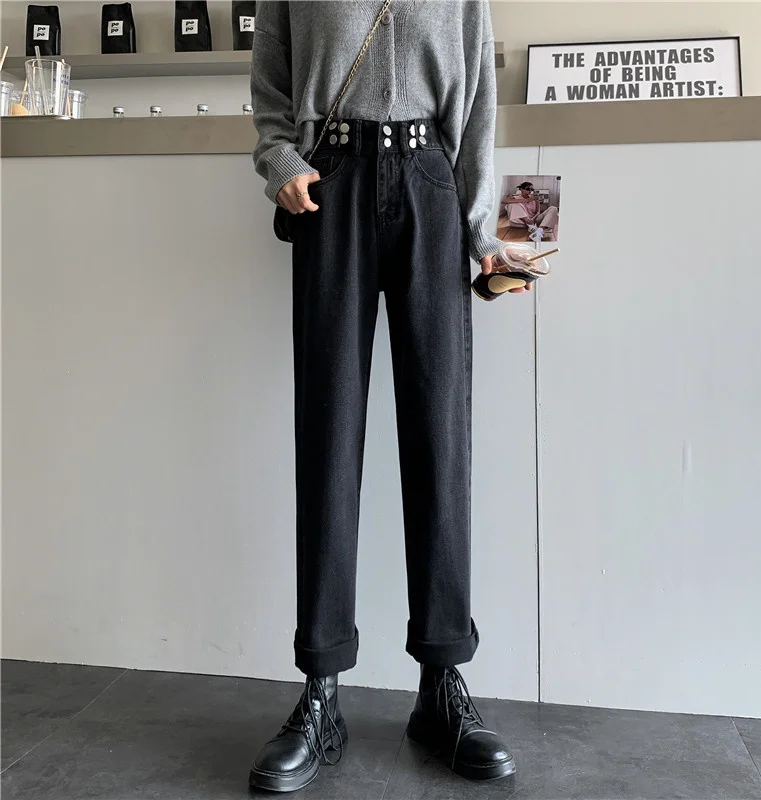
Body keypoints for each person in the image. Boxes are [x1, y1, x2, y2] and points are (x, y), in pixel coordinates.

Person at [248, 1, 525, 792]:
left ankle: (441, 683)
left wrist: (482, 232)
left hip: (430, 182)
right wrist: (281, 161)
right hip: (329, 186)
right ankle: (321, 687)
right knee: (328, 436)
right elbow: (271, 94)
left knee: (440, 438)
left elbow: (475, 105)